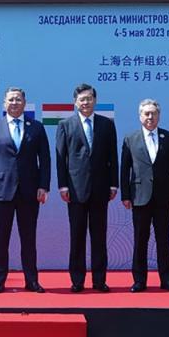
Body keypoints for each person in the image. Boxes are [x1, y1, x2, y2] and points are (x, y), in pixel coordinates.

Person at [0, 87, 50, 293]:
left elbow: (44, 160)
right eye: (11, 99)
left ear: (25, 102)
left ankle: (31, 280)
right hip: (1, 191)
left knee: (29, 239)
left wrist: (43, 186)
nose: (14, 103)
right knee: (1, 239)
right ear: (4, 103)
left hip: (29, 192)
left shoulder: (36, 127)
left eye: (18, 99)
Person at [56, 83, 118, 293]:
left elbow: (112, 157)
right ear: (75, 102)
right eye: (82, 99)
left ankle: (99, 280)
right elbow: (61, 158)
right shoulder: (65, 124)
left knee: (99, 237)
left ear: (95, 101)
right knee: (77, 236)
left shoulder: (106, 124)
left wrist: (113, 183)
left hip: (101, 189)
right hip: (75, 189)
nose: (85, 102)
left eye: (89, 98)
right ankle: (77, 280)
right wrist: (62, 185)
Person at [120, 99, 169, 293]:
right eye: (146, 113)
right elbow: (125, 170)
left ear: (159, 115)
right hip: (139, 197)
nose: (150, 117)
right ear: (140, 116)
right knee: (140, 240)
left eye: (153, 113)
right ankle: (139, 280)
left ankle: (167, 280)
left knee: (163, 239)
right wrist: (125, 195)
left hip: (163, 198)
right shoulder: (131, 139)